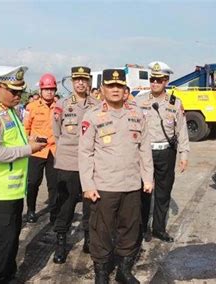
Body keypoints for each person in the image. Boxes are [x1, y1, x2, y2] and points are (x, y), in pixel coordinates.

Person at [0, 65, 46, 283]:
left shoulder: (8, 110)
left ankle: (8, 276)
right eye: (13, 91)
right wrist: (29, 149)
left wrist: (29, 143)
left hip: (10, 190)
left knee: (11, 240)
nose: (18, 96)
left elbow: (12, 141)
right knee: (0, 244)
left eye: (20, 92)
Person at [79, 69, 153, 284]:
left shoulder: (137, 114)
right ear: (102, 89)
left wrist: (147, 178)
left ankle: (124, 270)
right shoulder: (92, 115)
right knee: (101, 231)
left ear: (125, 90)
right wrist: (88, 184)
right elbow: (85, 153)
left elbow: (144, 149)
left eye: (119, 86)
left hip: (131, 184)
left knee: (130, 229)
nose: (114, 90)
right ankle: (101, 273)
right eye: (110, 86)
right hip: (104, 186)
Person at [135, 61, 190, 243]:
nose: (155, 83)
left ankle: (159, 228)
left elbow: (181, 130)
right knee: (143, 193)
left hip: (166, 153)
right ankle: (142, 228)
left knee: (163, 193)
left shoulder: (175, 103)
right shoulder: (140, 101)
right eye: (152, 79)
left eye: (159, 80)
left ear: (166, 81)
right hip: (145, 154)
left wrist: (184, 154)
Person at [52, 66, 100, 263]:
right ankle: (61, 244)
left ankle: (89, 240)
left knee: (91, 205)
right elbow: (56, 133)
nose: (80, 83)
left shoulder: (97, 105)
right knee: (66, 204)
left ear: (88, 81)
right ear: (72, 82)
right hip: (68, 162)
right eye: (77, 80)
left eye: (84, 79)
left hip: (91, 163)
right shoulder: (62, 104)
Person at [23, 73, 58, 223]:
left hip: (54, 151)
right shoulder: (31, 107)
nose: (49, 92)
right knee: (33, 182)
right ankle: (31, 210)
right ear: (41, 91)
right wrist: (28, 145)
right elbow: (25, 129)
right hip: (37, 150)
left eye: (52, 89)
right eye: (46, 89)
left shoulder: (60, 107)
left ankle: (54, 213)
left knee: (54, 184)